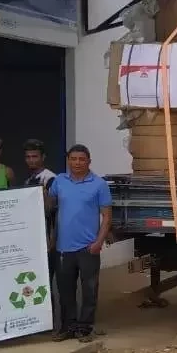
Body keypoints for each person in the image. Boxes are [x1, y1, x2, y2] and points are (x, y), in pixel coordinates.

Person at [46, 144, 112, 342]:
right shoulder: (59, 181)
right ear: (68, 160)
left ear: (89, 162)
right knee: (65, 290)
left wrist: (99, 242)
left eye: (81, 159)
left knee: (89, 290)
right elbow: (49, 207)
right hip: (63, 248)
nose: (77, 163)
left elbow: (107, 217)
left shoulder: (99, 184)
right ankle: (68, 327)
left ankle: (85, 328)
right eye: (73, 159)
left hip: (88, 248)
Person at [22, 139, 58, 269]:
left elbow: (51, 209)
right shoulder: (28, 180)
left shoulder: (50, 178)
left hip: (48, 236)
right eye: (28, 157)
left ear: (43, 157)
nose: (31, 160)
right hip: (34, 235)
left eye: (35, 156)